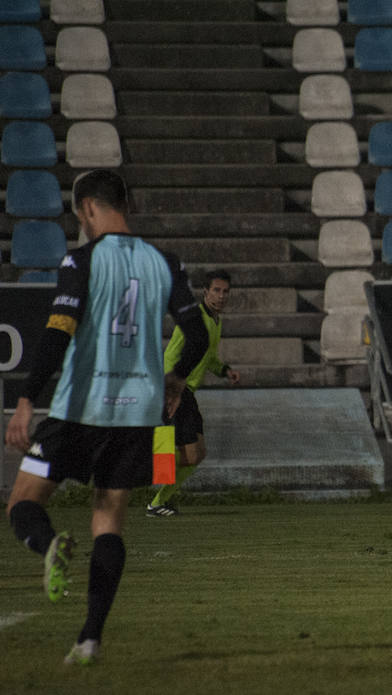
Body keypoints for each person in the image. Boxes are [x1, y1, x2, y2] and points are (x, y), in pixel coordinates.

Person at [3, 169, 208, 665]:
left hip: (80, 407)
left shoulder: (81, 259)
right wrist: (176, 379)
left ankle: (49, 545)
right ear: (127, 203)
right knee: (109, 521)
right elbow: (196, 333)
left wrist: (27, 399)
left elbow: (57, 333)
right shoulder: (165, 262)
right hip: (139, 415)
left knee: (22, 504)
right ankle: (89, 640)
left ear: (87, 209)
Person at [146, 269, 240, 517]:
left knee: (198, 454)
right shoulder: (194, 319)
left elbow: (206, 357)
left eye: (225, 292)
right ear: (205, 292)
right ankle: (149, 465)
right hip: (176, 390)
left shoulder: (215, 321)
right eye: (216, 290)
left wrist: (224, 370)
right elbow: (171, 356)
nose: (221, 296)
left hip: (187, 392)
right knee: (187, 455)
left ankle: (158, 500)